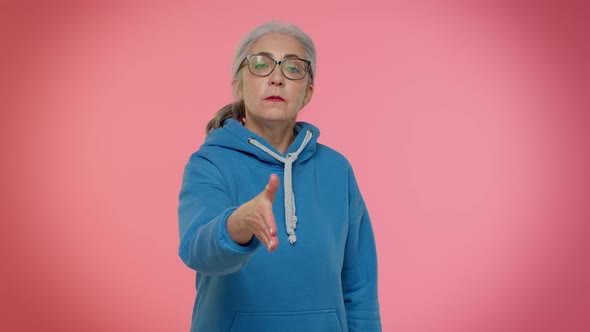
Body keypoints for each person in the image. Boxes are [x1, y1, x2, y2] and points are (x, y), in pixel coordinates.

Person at [177, 20, 382, 332]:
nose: (276, 78)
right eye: (260, 64)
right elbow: (197, 250)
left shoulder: (337, 169)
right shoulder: (209, 162)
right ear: (238, 85)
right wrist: (238, 223)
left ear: (307, 92)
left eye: (293, 68)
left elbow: (359, 286)